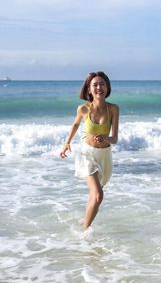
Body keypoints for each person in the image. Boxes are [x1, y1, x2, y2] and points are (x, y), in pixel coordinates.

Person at [60, 71, 119, 232]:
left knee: (94, 195)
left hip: (104, 156)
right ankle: (85, 232)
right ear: (89, 89)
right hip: (87, 154)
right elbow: (75, 125)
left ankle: (84, 221)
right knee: (99, 195)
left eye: (102, 84)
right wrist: (67, 143)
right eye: (95, 84)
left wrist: (106, 138)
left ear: (107, 87)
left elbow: (115, 139)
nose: (99, 87)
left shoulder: (113, 109)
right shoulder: (84, 108)